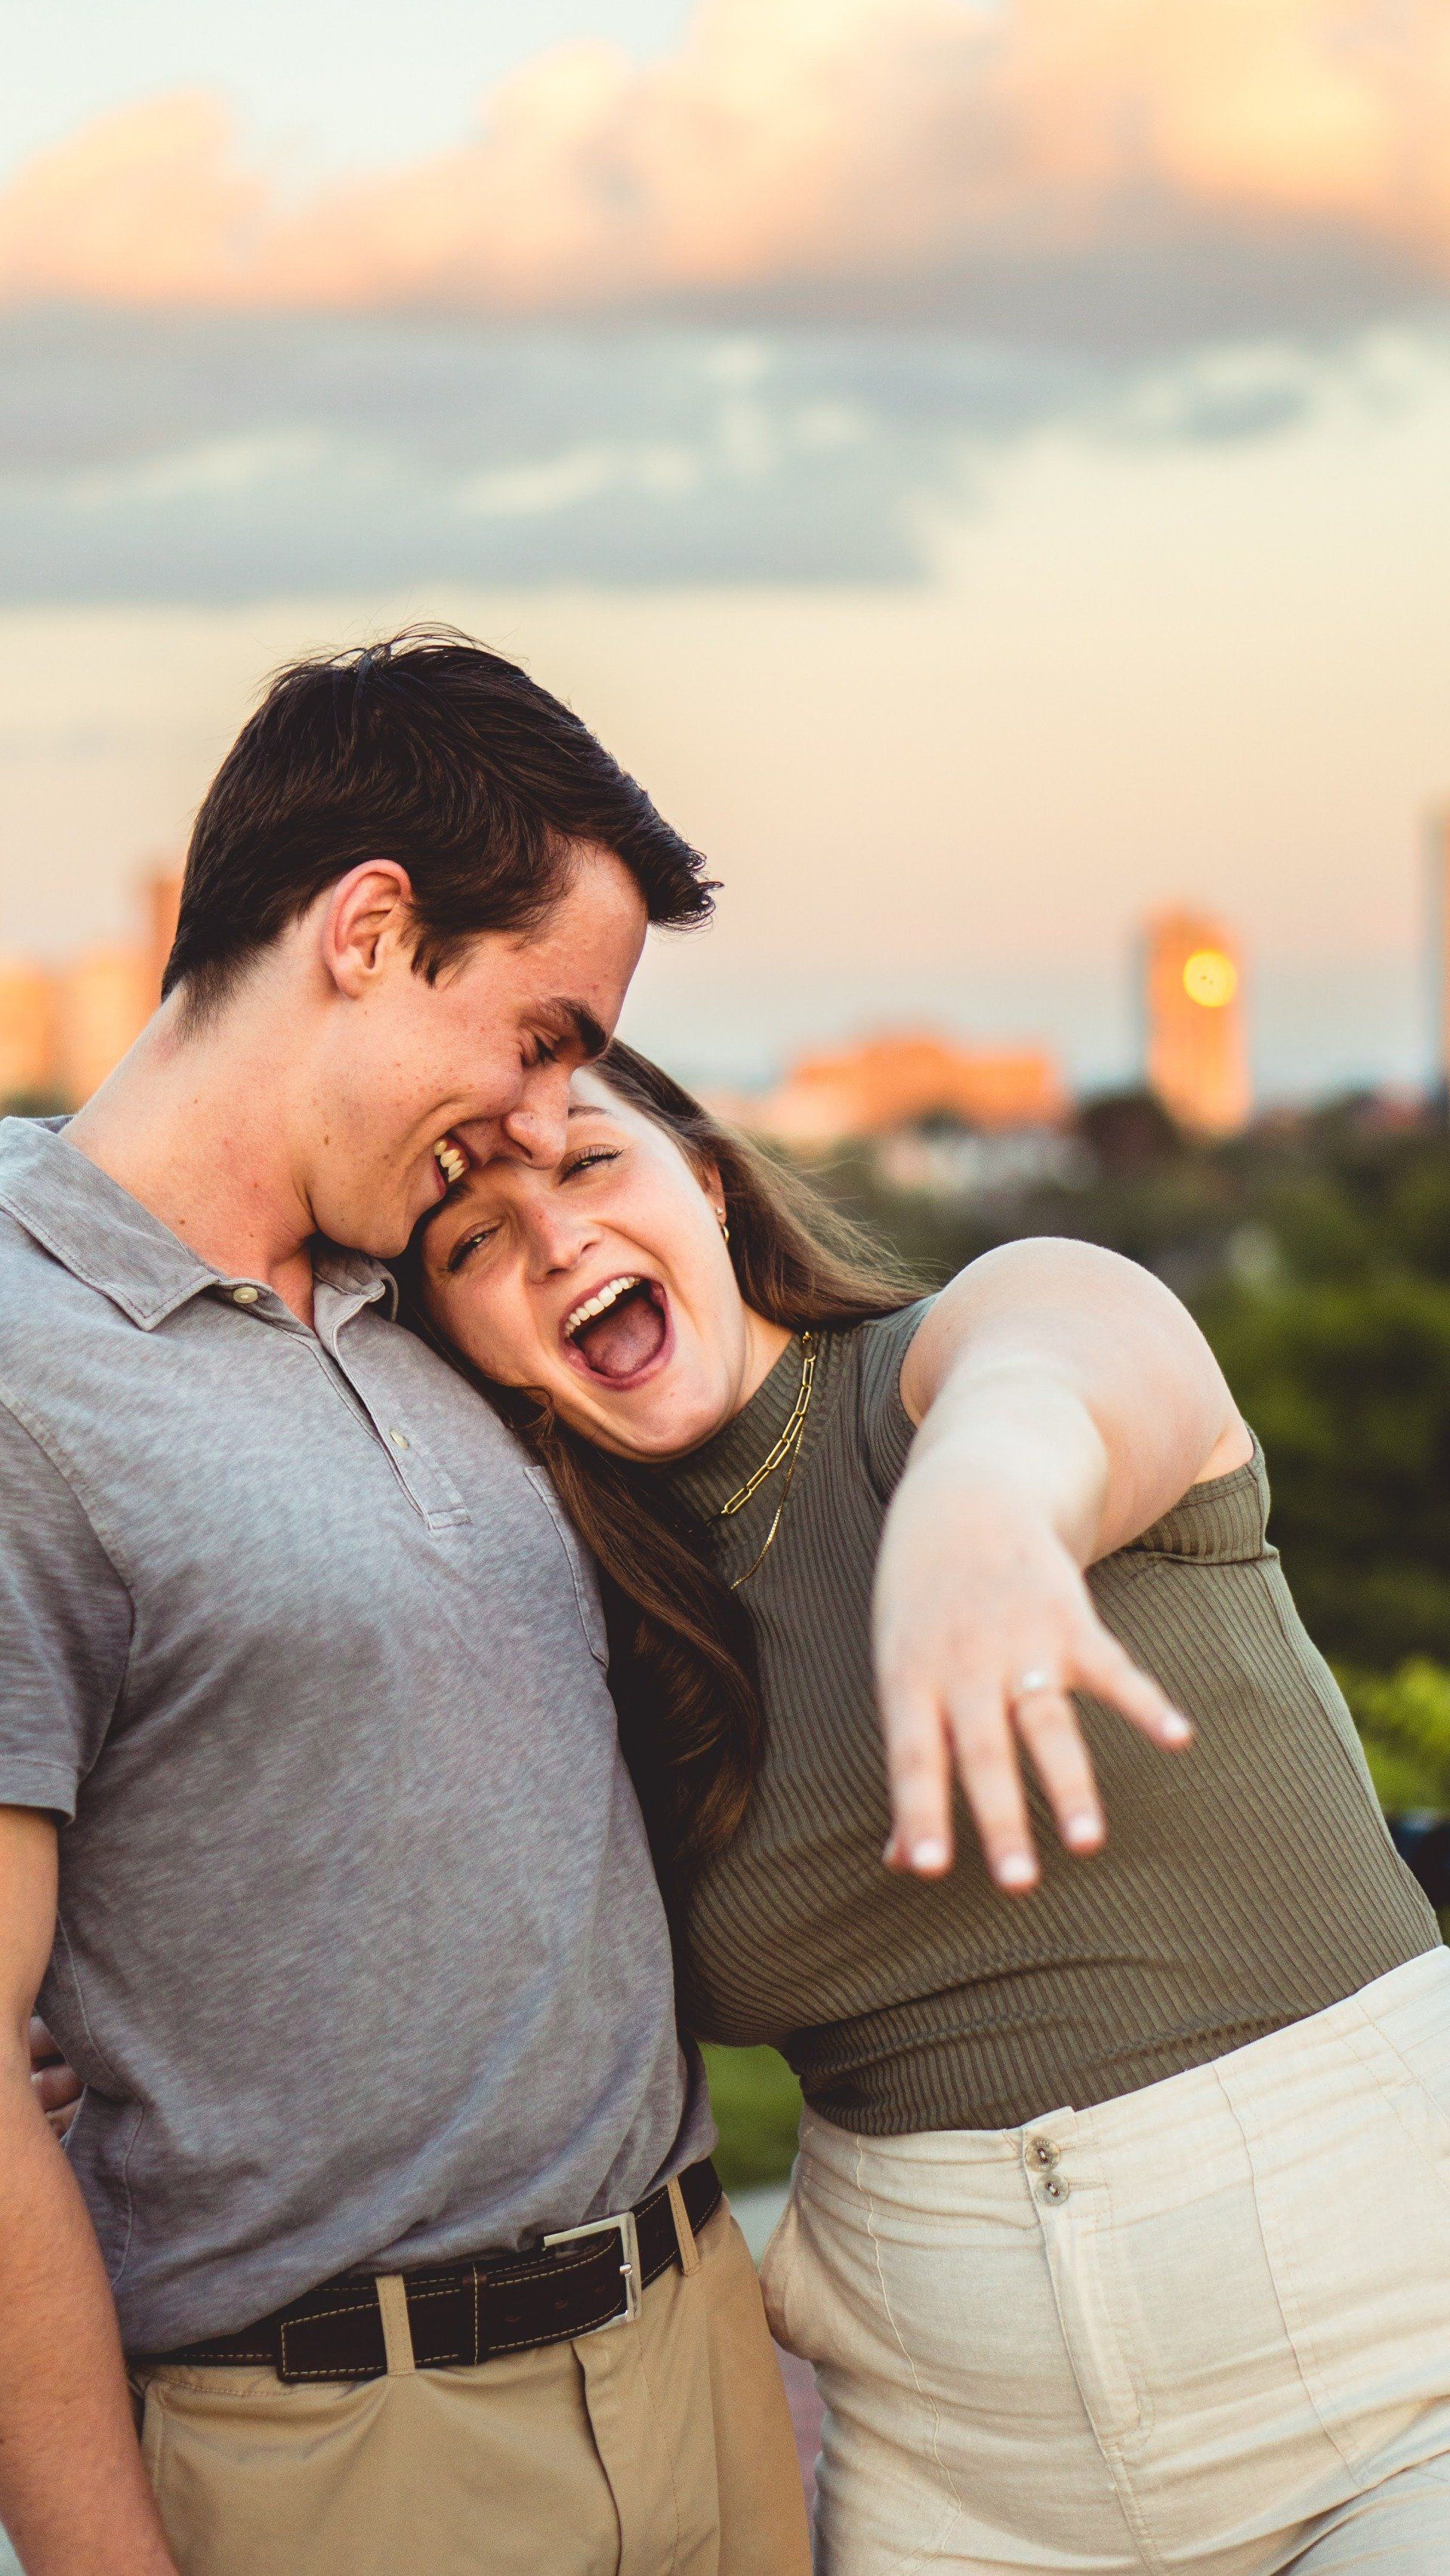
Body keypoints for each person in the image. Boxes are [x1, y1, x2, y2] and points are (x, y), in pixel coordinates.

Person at [394, 1041, 1450, 2574]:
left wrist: (979, 1508)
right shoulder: (585, 1640)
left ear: (702, 1171)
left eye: (585, 1161)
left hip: (1396, 2371)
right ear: (466, 1341)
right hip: (963, 2476)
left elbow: (1057, 1380)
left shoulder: (969, 1347)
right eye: (473, 1240)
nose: (551, 1236)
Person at [0, 632, 814, 2576]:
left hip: (698, 2358)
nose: (546, 1120)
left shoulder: (438, 1285)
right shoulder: (26, 1369)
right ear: (370, 927)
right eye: (538, 1033)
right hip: (352, 2459)